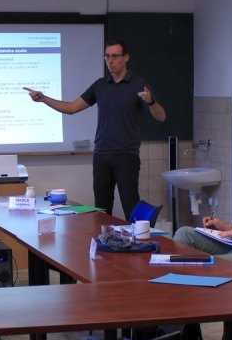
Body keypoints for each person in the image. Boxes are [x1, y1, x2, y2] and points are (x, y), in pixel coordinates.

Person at [27, 40, 166, 219]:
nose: (110, 61)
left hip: (126, 155)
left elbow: (161, 116)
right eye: (107, 56)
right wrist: (44, 98)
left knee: (130, 204)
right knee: (101, 208)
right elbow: (71, 108)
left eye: (115, 56)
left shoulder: (139, 85)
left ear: (126, 58)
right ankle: (104, 237)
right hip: (101, 155)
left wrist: (151, 102)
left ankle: (139, 237)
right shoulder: (100, 85)